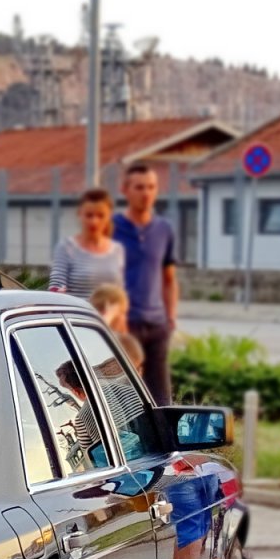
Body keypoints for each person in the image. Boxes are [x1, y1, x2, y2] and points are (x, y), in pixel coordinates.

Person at [113, 162, 178, 407]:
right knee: (123, 400)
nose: (146, 193)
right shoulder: (111, 228)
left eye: (151, 187)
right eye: (139, 187)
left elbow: (169, 278)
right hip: (122, 328)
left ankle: (164, 445)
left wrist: (170, 318)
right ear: (125, 190)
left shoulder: (164, 230)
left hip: (156, 327)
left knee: (161, 400)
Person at [49, 189, 125, 299]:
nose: (94, 221)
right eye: (89, 215)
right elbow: (56, 291)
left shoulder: (117, 250)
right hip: (76, 315)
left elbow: (119, 295)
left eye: (100, 215)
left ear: (109, 216)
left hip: (110, 316)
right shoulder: (66, 248)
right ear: (79, 214)